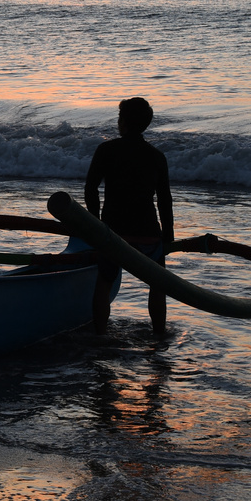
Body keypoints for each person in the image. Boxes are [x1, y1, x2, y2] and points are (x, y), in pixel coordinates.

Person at [84, 97, 174, 335]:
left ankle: (101, 336)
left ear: (122, 122)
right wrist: (168, 237)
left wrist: (95, 226)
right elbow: (165, 200)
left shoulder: (106, 150)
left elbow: (90, 189)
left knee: (104, 281)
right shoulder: (157, 156)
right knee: (158, 283)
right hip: (148, 233)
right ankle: (159, 334)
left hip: (113, 232)